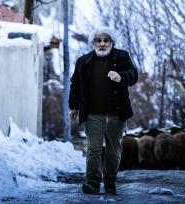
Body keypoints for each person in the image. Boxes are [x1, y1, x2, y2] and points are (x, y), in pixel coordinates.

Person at [68, 26, 138, 195]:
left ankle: (110, 183)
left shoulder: (122, 57)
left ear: (111, 42)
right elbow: (75, 85)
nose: (102, 44)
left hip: (117, 113)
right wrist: (73, 106)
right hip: (92, 113)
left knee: (113, 149)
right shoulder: (83, 61)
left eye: (106, 40)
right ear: (93, 43)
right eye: (98, 41)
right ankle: (92, 183)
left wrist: (121, 77)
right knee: (94, 148)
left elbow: (133, 74)